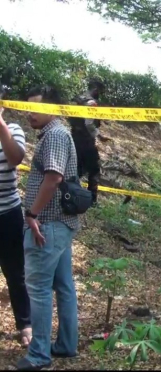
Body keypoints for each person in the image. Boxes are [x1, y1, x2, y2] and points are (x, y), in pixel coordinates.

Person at [17, 86, 80, 370]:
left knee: (39, 289)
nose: (30, 112)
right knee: (64, 286)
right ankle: (66, 344)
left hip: (47, 224)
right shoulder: (59, 133)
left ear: (52, 108)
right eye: (28, 107)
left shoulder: (54, 135)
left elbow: (53, 178)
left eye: (36, 107)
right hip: (59, 225)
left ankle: (39, 355)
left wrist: (31, 213)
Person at [0, 90, 32, 348]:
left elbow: (16, 158)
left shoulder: (13, 129)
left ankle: (25, 324)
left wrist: (0, 126)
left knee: (15, 273)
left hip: (8, 214)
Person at [68, 77, 105, 206]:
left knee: (77, 168)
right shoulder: (91, 102)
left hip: (74, 138)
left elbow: (70, 118)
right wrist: (99, 136)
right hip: (86, 140)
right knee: (94, 169)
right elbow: (89, 123)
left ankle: (71, 195)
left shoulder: (77, 99)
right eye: (99, 91)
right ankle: (92, 201)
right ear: (95, 89)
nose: (100, 94)